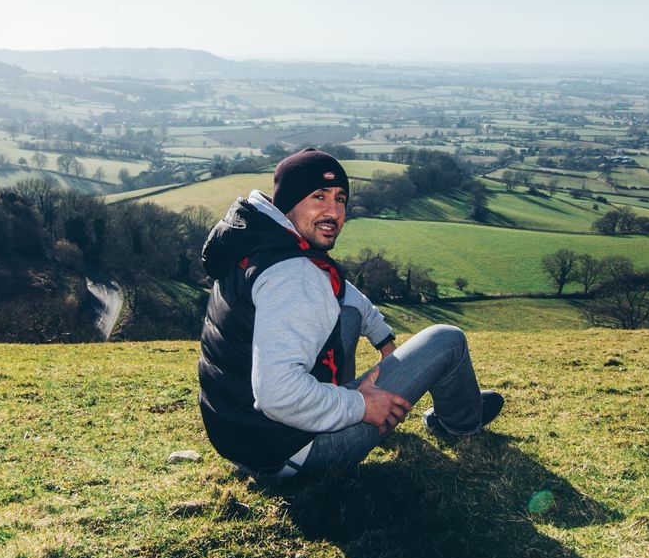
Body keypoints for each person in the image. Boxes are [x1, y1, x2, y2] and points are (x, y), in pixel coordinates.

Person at [197, 147, 504, 478]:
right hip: (296, 453)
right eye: (319, 196)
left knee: (347, 316)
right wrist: (361, 406)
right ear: (289, 202)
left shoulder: (256, 241)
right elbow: (276, 394)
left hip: (246, 439)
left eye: (340, 199)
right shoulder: (294, 275)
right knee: (447, 339)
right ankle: (456, 423)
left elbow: (341, 292)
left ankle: (343, 404)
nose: (333, 212)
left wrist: (382, 336)